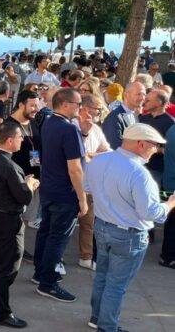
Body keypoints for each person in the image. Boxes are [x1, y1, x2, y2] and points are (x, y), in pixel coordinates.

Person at [84, 123, 175, 332]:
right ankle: (107, 326)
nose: (157, 150)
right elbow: (151, 213)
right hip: (129, 235)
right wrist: (170, 204)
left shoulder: (99, 160)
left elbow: (87, 187)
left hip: (103, 226)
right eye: (155, 145)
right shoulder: (140, 174)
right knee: (116, 285)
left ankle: (97, 318)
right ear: (141, 144)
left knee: (102, 277)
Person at [0, 121, 39, 329]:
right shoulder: (9, 165)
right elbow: (23, 197)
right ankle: (0, 312)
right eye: (20, 138)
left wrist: (23, 183)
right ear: (10, 140)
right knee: (6, 266)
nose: (22, 141)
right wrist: (30, 185)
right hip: (7, 220)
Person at [34, 88, 87, 302]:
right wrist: (82, 199)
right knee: (57, 237)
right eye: (78, 103)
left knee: (46, 232)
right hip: (64, 192)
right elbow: (74, 167)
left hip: (49, 188)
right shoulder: (68, 129)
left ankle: (41, 273)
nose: (80, 107)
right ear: (65, 104)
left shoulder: (49, 123)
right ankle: (47, 283)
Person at [76, 94, 111, 271]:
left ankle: (86, 256)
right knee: (65, 224)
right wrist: (91, 155)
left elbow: (107, 150)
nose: (99, 112)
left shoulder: (97, 129)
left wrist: (93, 155)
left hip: (92, 183)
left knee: (90, 222)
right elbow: (79, 155)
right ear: (86, 108)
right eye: (97, 108)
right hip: (73, 183)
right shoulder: (72, 125)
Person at [5, 91, 43, 242]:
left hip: (33, 181)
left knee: (26, 219)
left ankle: (19, 246)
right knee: (13, 221)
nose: (36, 109)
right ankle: (11, 249)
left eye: (37, 105)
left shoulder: (34, 121)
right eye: (32, 105)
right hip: (17, 182)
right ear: (21, 105)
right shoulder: (8, 126)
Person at [138, 88, 175, 186]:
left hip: (156, 171)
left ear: (159, 103)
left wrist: (156, 150)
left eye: (148, 100)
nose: (144, 102)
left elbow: (170, 150)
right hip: (139, 166)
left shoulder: (170, 123)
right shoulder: (142, 119)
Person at [102, 81, 145, 150]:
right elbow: (114, 146)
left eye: (144, 94)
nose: (142, 98)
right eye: (138, 94)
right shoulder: (114, 117)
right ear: (126, 95)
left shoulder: (134, 115)